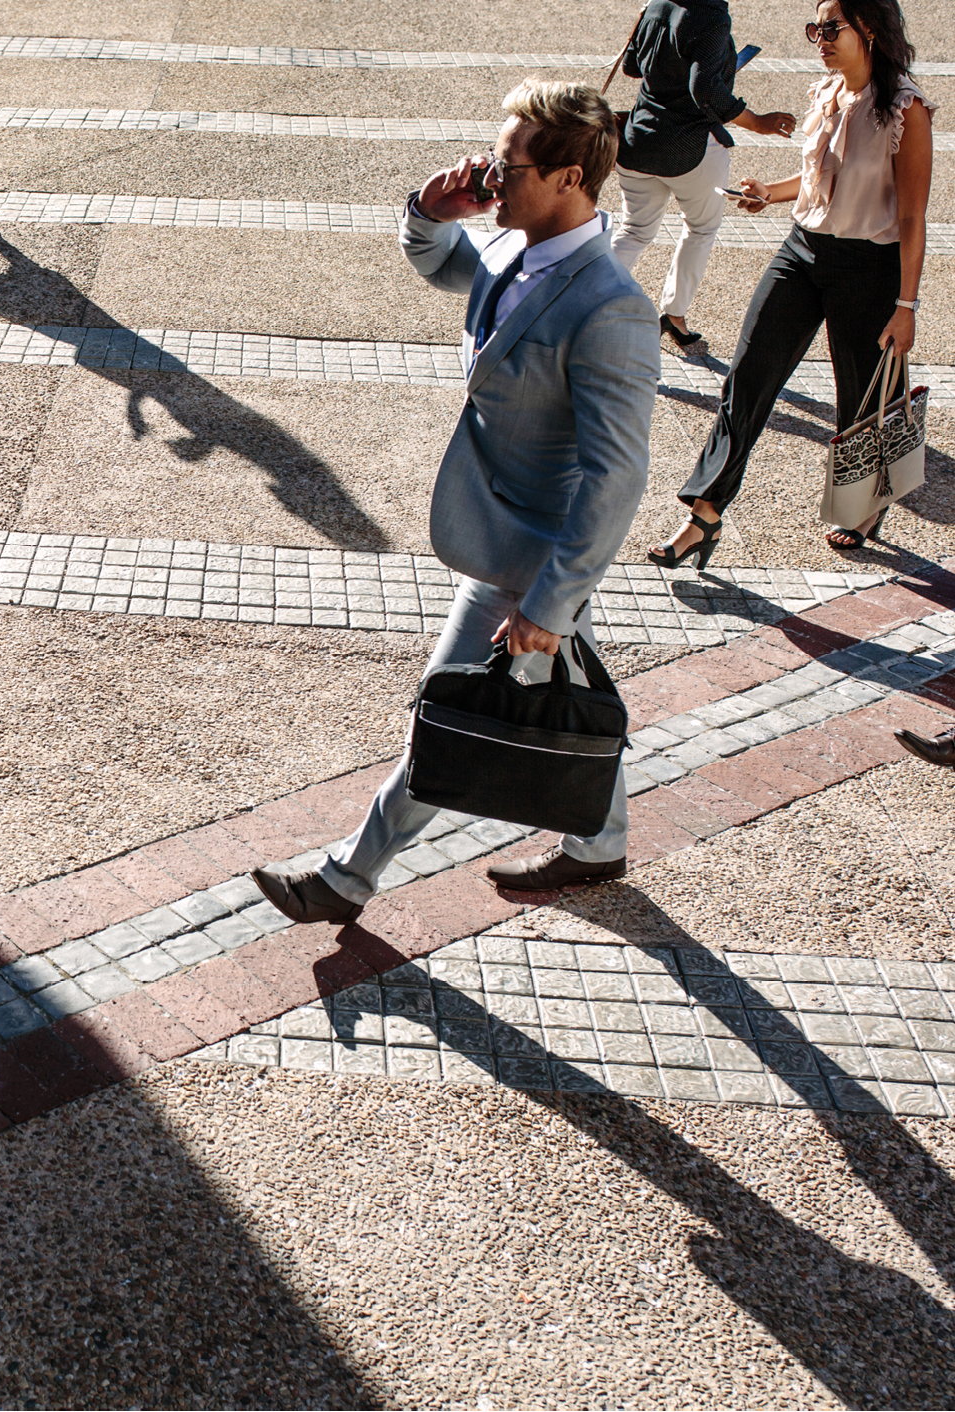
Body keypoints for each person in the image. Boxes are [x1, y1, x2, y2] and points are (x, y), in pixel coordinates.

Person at [251, 78, 660, 924]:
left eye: (507, 168)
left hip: (533, 557)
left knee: (450, 714)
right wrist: (430, 212)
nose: (491, 177)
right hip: (506, 536)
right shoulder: (518, 250)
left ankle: (345, 880)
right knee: (559, 687)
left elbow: (616, 475)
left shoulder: (609, 308)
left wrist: (551, 599)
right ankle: (601, 842)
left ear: (569, 178)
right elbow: (447, 265)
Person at [648, 0, 934, 568]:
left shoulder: (905, 108)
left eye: (832, 28)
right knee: (748, 377)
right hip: (802, 251)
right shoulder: (827, 92)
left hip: (869, 265)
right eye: (815, 29)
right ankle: (703, 513)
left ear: (869, 31)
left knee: (858, 393)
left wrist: (906, 305)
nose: (820, 38)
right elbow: (815, 178)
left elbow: (912, 217)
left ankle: (864, 501)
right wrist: (769, 194)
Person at [611, 0, 797, 349]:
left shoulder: (657, 4)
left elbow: (632, 67)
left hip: (639, 141)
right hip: (690, 148)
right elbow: (706, 90)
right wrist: (756, 122)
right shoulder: (711, 15)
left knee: (634, 232)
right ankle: (674, 313)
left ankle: (584, 305)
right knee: (700, 227)